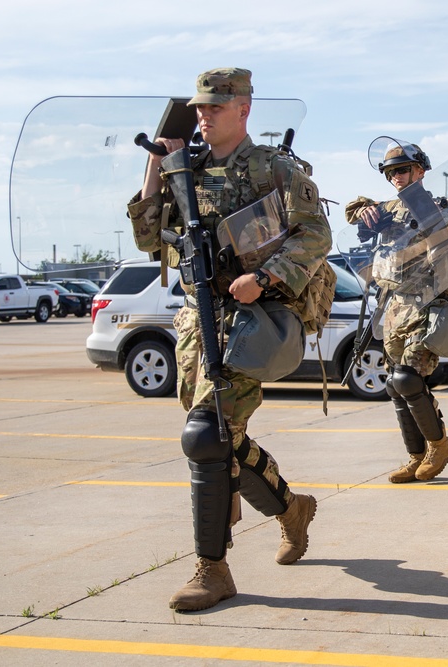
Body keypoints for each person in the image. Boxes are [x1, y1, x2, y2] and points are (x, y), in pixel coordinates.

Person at [127, 68, 332, 611]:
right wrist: (158, 166)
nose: (204, 115)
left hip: (252, 316)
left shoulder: (273, 167)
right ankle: (291, 508)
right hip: (199, 319)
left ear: (243, 109)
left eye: (215, 107)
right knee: (219, 438)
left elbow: (315, 235)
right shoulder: (184, 167)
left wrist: (264, 277)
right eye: (199, 107)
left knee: (205, 437)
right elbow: (150, 237)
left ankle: (212, 569)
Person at [344, 142, 448, 484]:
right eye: (391, 173)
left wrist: (426, 214)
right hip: (394, 306)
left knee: (408, 378)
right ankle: (416, 455)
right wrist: (364, 212)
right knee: (395, 385)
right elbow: (354, 210)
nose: (397, 178)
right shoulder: (388, 209)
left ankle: (439, 446)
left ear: (421, 170)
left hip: (430, 305)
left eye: (403, 170)